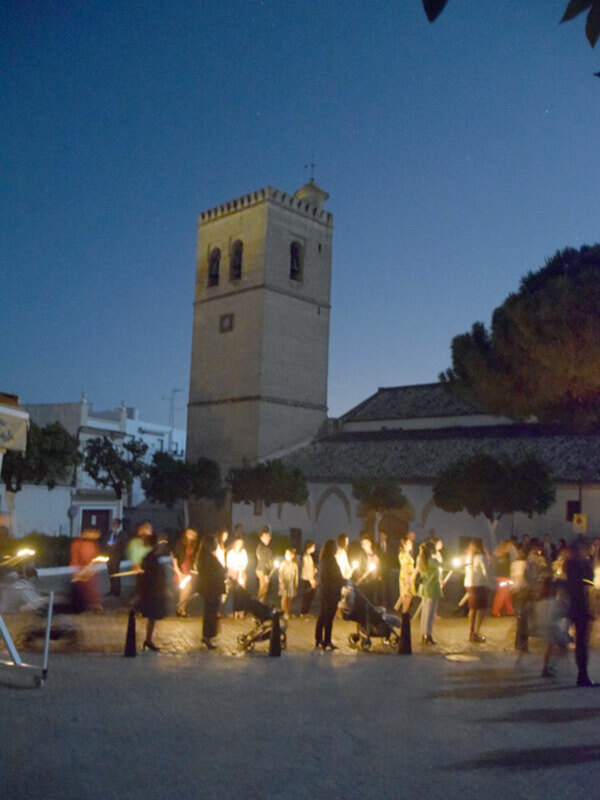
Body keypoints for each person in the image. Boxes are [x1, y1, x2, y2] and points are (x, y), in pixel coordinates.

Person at [565, 538, 595, 687]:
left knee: (580, 642)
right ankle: (582, 675)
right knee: (583, 642)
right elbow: (590, 579)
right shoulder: (580, 564)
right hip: (581, 605)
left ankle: (582, 674)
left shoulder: (568, 564)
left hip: (574, 605)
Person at [139, 534, 168, 651]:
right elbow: (150, 576)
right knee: (152, 616)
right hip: (152, 592)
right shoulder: (151, 558)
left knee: (153, 617)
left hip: (153, 591)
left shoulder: (152, 557)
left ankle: (149, 639)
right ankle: (148, 639)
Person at [196, 534, 226, 649]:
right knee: (210, 613)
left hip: (211, 588)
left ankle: (208, 635)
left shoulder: (206, 557)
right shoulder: (207, 558)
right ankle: (207, 635)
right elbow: (212, 573)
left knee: (211, 612)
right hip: (210, 588)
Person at [315, 539, 345, 650]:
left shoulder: (323, 559)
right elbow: (334, 576)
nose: (337, 548)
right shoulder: (330, 560)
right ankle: (327, 640)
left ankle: (318, 638)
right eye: (335, 547)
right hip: (330, 592)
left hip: (324, 591)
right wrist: (343, 581)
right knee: (329, 616)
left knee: (322, 614)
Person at [70, 528, 103, 612]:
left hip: (90, 569)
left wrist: (95, 565)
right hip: (80, 568)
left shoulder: (93, 544)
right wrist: (76, 570)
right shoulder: (77, 543)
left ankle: (94, 604)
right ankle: (80, 606)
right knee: (81, 587)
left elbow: (95, 555)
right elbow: (75, 556)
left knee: (92, 587)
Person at [464, 539, 490, 643]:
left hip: (469, 583)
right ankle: (476, 631)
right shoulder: (481, 557)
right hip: (479, 584)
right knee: (481, 608)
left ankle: (471, 631)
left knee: (473, 608)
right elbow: (485, 572)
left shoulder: (468, 557)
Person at [417, 541, 442, 645]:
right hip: (432, 588)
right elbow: (443, 565)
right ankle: (429, 635)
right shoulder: (431, 561)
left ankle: (423, 634)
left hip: (425, 588)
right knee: (430, 613)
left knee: (425, 612)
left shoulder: (421, 559)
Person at [172, 528, 200, 617]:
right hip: (182, 567)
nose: (191, 536)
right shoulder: (180, 543)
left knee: (188, 589)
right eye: (189, 533)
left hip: (190, 568)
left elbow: (194, 557)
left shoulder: (193, 545)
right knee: (185, 588)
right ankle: (180, 609)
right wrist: (177, 570)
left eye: (193, 534)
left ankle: (181, 608)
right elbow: (175, 557)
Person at [226, 534, 248, 619]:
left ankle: (241, 611)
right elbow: (229, 564)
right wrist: (235, 568)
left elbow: (245, 562)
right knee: (232, 593)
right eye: (237, 543)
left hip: (241, 573)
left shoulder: (243, 552)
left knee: (241, 593)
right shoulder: (230, 553)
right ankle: (232, 611)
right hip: (232, 573)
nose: (239, 545)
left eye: (241, 543)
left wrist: (241, 568)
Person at [356, 533, 381, 604]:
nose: (364, 545)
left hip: (374, 578)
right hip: (366, 579)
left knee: (373, 595)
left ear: (370, 543)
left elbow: (379, 564)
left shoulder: (375, 552)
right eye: (363, 543)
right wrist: (359, 576)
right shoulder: (362, 554)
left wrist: (379, 574)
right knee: (366, 597)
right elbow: (360, 566)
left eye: (365, 543)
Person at [104, 518, 126, 596]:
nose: (114, 525)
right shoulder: (110, 533)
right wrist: (108, 546)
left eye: (115, 523)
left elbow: (123, 545)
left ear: (119, 524)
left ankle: (117, 591)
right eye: (113, 523)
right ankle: (112, 590)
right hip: (109, 555)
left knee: (116, 573)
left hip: (116, 556)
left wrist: (114, 547)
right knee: (110, 573)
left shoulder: (122, 534)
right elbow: (105, 541)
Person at [395, 536, 416, 614]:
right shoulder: (402, 554)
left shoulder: (409, 554)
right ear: (404, 545)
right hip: (405, 577)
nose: (410, 545)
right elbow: (404, 566)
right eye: (409, 543)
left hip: (411, 577)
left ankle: (406, 611)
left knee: (410, 595)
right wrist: (407, 577)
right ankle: (404, 612)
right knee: (406, 594)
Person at [279, 548, 299, 619]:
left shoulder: (294, 564)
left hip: (291, 582)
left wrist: (296, 581)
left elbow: (296, 574)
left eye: (288, 554)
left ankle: (287, 611)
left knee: (290, 597)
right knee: (284, 597)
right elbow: (280, 574)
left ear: (292, 555)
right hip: (285, 581)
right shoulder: (283, 563)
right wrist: (281, 582)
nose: (286, 555)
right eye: (286, 554)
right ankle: (283, 612)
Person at [255, 526, 274, 603]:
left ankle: (260, 605)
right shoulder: (261, 548)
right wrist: (266, 574)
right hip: (262, 571)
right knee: (263, 589)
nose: (269, 538)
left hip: (264, 571)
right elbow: (262, 562)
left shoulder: (266, 547)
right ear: (261, 537)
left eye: (269, 536)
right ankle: (257, 605)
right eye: (266, 536)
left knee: (264, 589)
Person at [300, 540, 318, 617]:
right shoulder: (305, 557)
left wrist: (314, 570)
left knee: (309, 596)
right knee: (307, 596)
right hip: (307, 579)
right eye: (313, 547)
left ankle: (305, 612)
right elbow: (306, 570)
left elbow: (309, 569)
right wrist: (312, 581)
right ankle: (304, 612)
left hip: (309, 578)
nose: (314, 548)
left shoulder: (309, 556)